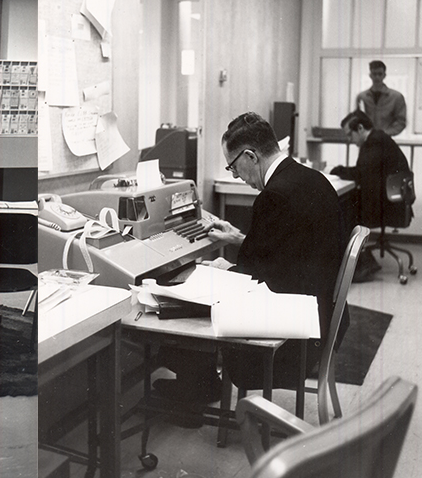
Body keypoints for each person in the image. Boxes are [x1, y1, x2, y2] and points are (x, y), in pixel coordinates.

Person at [156, 112, 345, 404]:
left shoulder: (274, 196)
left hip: (293, 334)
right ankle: (202, 384)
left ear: (250, 156)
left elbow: (257, 274)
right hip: (321, 315)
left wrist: (223, 268)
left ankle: (197, 391)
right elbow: (290, 252)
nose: (237, 177)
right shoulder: (311, 179)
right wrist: (237, 237)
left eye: (234, 168)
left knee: (185, 310)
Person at [330, 110, 410, 281]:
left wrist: (338, 170)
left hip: (389, 205)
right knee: (347, 201)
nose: (349, 140)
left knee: (343, 207)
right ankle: (362, 260)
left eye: (349, 134)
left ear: (359, 128)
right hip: (393, 201)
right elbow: (366, 173)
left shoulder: (374, 142)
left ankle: (361, 265)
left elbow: (362, 173)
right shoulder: (378, 139)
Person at [356, 60, 406, 136]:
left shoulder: (396, 97)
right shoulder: (362, 97)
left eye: (380, 74)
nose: (377, 77)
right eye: (374, 74)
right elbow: (358, 119)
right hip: (367, 141)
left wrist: (385, 133)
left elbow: (401, 121)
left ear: (384, 75)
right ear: (370, 75)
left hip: (386, 141)